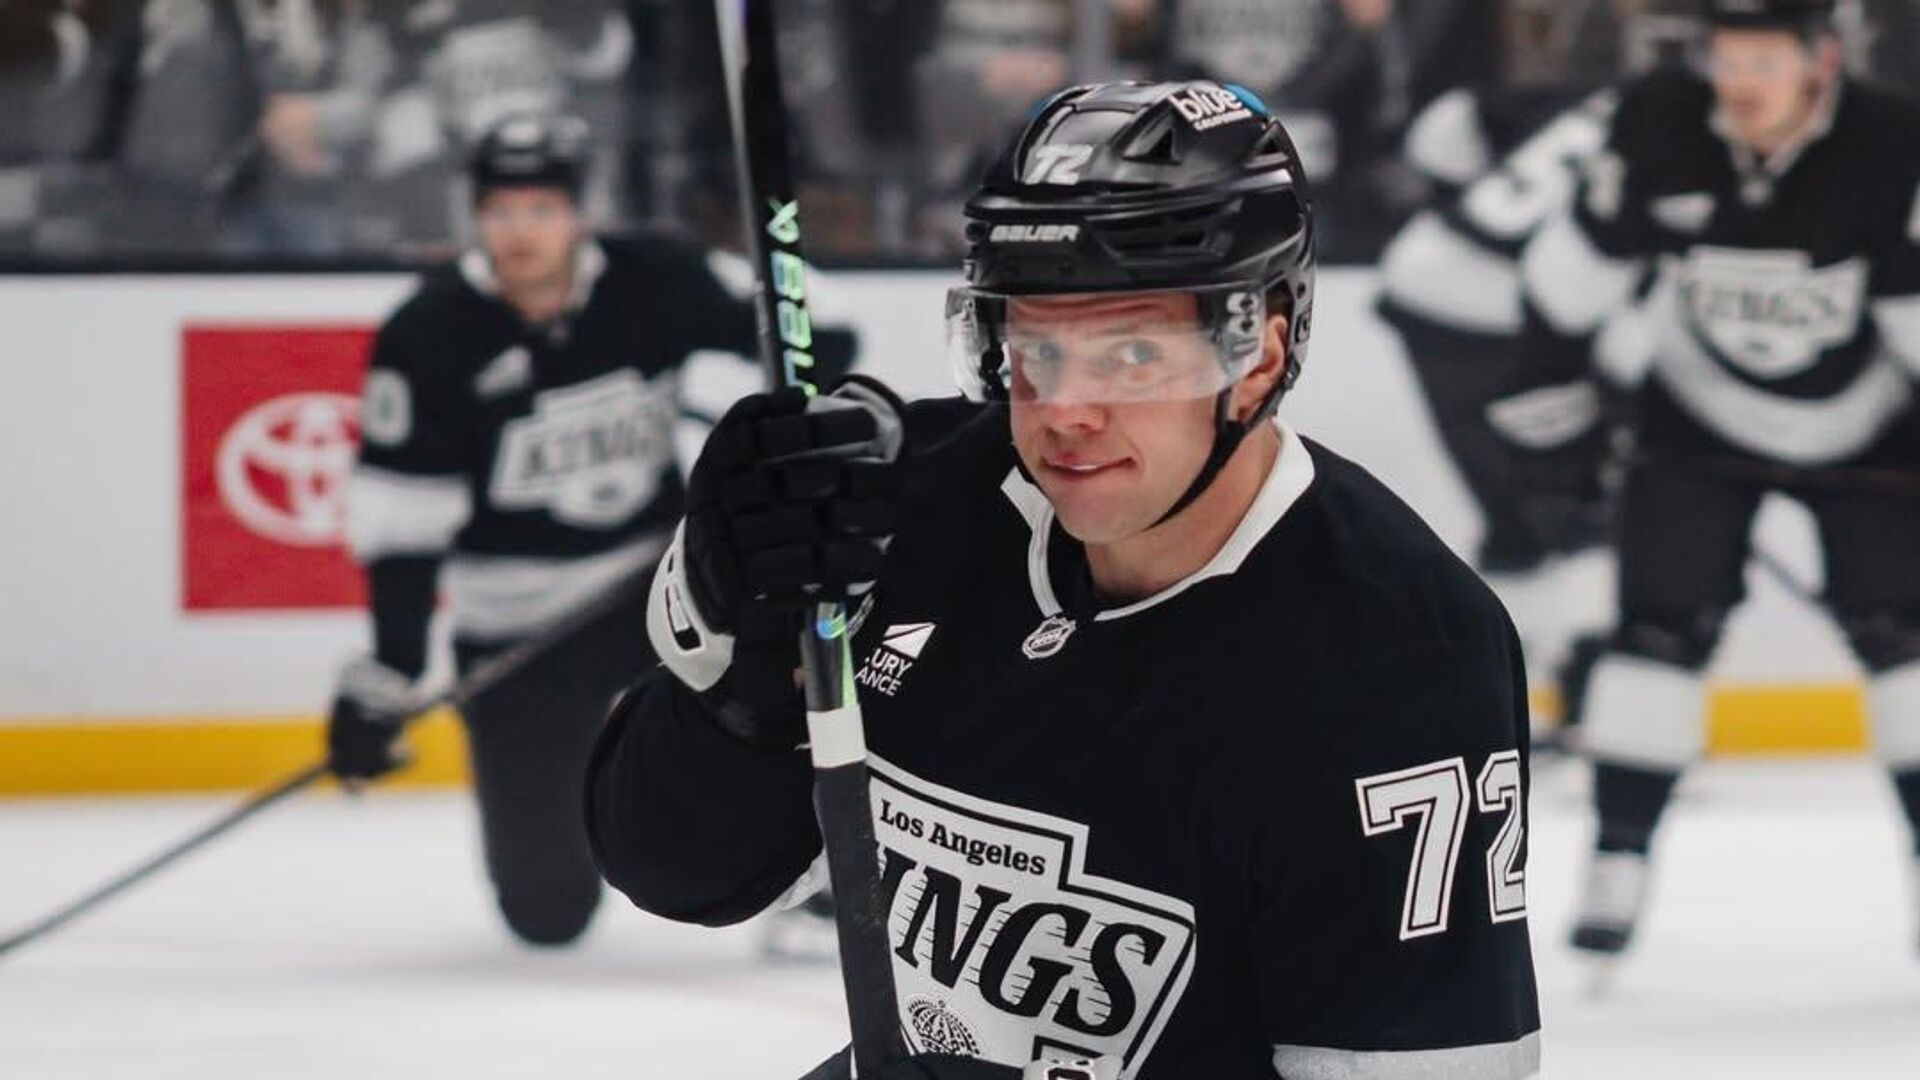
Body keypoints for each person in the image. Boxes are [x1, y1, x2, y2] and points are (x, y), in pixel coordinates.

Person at [587, 80, 1541, 1078]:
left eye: (1130, 354)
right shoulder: (905, 503)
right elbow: (675, 870)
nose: (1065, 412)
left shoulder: (1395, 656)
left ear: (1257, 356)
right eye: (1036, 348)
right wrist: (743, 670)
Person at [326, 112, 853, 946]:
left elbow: (811, 336)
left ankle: (821, 873)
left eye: (542, 209)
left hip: (654, 586)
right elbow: (404, 521)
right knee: (546, 913)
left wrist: (801, 366)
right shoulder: (430, 334)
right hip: (518, 623)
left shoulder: (656, 279)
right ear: (475, 215)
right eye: (502, 211)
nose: (521, 232)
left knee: (781, 649)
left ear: (579, 212)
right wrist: (388, 674)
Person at [1515, 0, 1920, 956]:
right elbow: (1575, 273)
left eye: (1763, 63)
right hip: (1695, 418)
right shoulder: (1659, 119)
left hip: (1867, 429)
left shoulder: (1892, 140)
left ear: (1821, 61)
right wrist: (1550, 397)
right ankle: (1618, 858)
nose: (1739, 84)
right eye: (1726, 60)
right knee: (1656, 635)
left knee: (1904, 639)